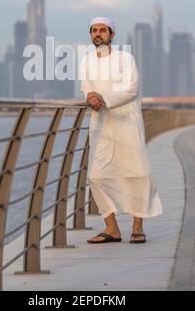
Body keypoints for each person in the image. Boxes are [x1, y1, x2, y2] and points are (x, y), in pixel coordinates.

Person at [80, 16, 163, 244]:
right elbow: (86, 86)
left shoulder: (126, 59)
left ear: (112, 34)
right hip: (102, 124)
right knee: (96, 176)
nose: (98, 34)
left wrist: (103, 99)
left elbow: (132, 89)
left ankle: (137, 227)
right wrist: (89, 96)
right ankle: (112, 228)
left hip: (127, 122)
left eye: (103, 30)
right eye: (94, 30)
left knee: (137, 173)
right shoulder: (86, 61)